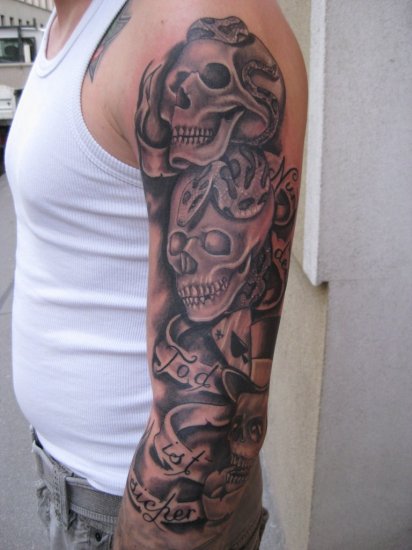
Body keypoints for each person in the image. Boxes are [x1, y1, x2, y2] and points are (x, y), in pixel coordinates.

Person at [5, 0, 307, 548]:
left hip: (141, 511)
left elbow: (217, 416)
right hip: (66, 477)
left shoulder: (183, 15)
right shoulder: (67, 24)